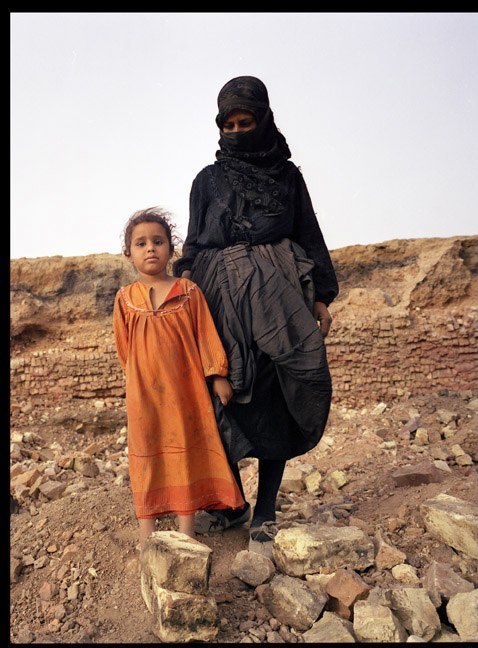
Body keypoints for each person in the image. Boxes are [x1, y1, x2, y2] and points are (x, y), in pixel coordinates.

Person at [173, 75, 339, 557]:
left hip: (279, 295)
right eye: (230, 123)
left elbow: (309, 232)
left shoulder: (288, 177)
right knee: (220, 395)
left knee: (276, 394)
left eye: (247, 121)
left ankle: (266, 508)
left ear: (265, 120)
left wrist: (321, 296)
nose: (238, 130)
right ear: (219, 126)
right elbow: (194, 243)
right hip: (218, 298)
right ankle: (231, 504)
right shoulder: (207, 180)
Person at [112, 207, 245, 550]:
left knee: (185, 451)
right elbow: (124, 349)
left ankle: (187, 533)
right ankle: (147, 536)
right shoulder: (125, 299)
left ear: (171, 249)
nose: (150, 248)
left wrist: (217, 375)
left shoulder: (187, 291)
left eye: (158, 241)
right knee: (146, 451)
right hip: (144, 395)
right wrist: (142, 381)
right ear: (129, 253)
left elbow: (205, 335)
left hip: (186, 392)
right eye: (141, 243)